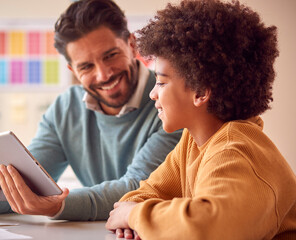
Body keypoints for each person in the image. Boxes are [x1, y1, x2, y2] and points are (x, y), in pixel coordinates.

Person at [0, 0, 182, 221]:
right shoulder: (66, 109)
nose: (103, 75)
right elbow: (30, 182)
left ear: (132, 45)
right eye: (86, 66)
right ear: (72, 69)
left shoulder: (169, 99)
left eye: (110, 55)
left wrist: (59, 205)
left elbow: (140, 188)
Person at [105, 0, 296, 239]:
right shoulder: (194, 142)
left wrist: (134, 216)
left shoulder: (236, 151)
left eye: (162, 82)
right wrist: (132, 214)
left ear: (200, 93)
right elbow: (141, 195)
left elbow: (204, 227)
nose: (153, 93)